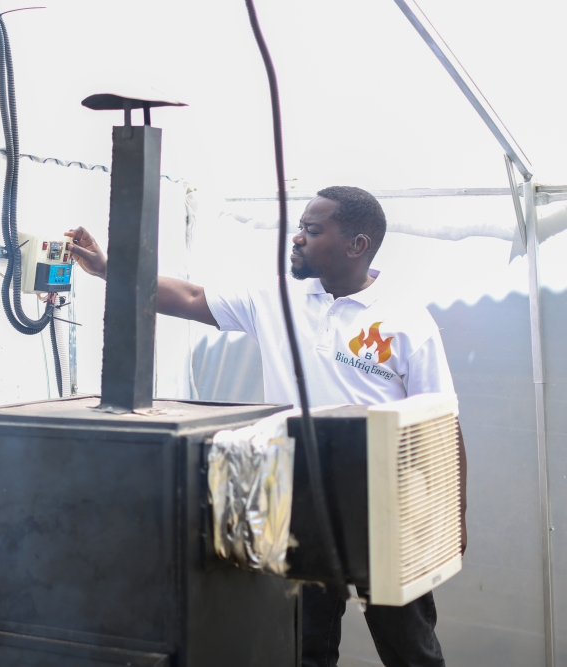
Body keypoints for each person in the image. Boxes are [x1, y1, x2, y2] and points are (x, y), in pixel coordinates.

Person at [66, 185, 467, 667]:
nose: (296, 238)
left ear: (357, 246)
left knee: (410, 648)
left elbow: (442, 427)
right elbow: (192, 297)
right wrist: (110, 270)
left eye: (312, 230)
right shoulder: (277, 297)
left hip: (384, 510)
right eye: (300, 227)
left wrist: (452, 517)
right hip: (297, 504)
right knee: (305, 646)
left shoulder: (405, 320)